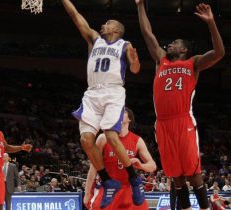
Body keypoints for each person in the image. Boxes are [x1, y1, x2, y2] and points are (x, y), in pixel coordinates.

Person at [135, 1, 225, 210]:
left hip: (183, 120)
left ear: (183, 49)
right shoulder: (161, 60)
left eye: (175, 43)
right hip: (163, 125)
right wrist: (140, 5)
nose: (170, 45)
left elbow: (219, 53)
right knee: (176, 177)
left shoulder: (193, 63)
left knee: (193, 175)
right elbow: (147, 33)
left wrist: (211, 23)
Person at [62, 0, 143, 208]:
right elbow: (75, 15)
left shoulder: (124, 45)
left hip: (113, 91)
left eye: (107, 23)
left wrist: (134, 60)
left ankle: (134, 179)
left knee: (110, 135)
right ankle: (108, 180)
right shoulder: (94, 39)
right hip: (92, 93)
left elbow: (135, 70)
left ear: (116, 29)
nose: (102, 25)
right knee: (86, 140)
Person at [84, 107, 156, 210]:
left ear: (129, 119)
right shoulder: (103, 138)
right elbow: (93, 167)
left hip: (129, 189)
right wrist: (87, 193)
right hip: (108, 188)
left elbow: (152, 166)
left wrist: (141, 165)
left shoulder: (137, 140)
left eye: (123, 111)